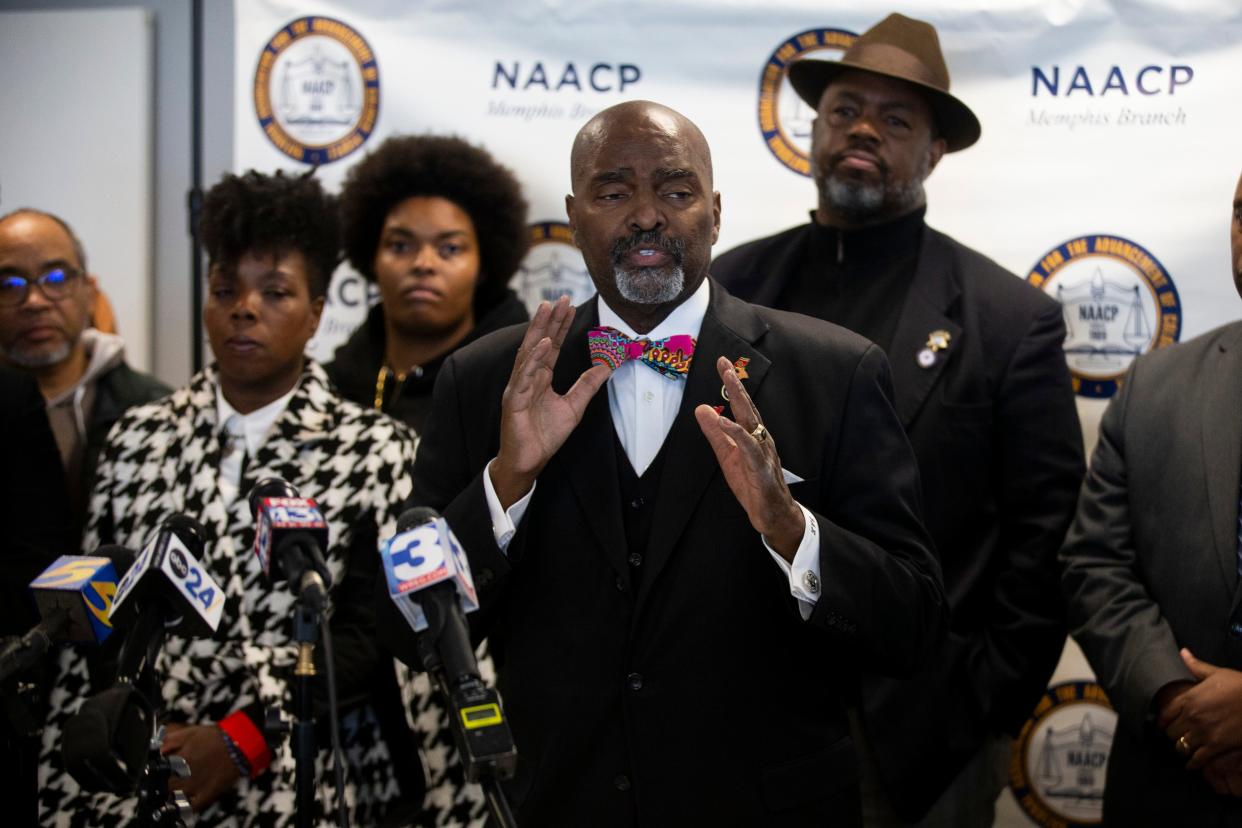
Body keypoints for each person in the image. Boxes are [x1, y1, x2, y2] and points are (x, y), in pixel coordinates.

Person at [401, 99, 946, 825]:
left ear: (715, 214)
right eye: (614, 191)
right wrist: (506, 484)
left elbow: (914, 625)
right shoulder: (485, 381)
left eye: (676, 191)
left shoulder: (834, 374)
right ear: (574, 215)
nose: (647, 215)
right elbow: (405, 631)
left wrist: (791, 530)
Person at [712, 13, 1085, 826]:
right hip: (736, 710)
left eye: (897, 119)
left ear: (935, 152)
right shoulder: (729, 287)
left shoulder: (1006, 319)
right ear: (814, 128)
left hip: (917, 734)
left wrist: (980, 701)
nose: (863, 131)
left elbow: (1044, 535)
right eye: (845, 109)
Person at [37, 170, 420, 826]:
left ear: (316, 314)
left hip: (308, 769)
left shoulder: (380, 448)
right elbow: (98, 613)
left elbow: (371, 636)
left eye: (275, 292)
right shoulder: (133, 438)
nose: (244, 308)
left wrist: (242, 739)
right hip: (144, 763)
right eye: (224, 290)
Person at [1061, 170, 1242, 824]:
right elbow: (1095, 567)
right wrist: (1176, 703)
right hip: (1171, 781)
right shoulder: (1157, 386)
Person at [328, 134, 530, 434]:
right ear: (371, 257)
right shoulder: (329, 392)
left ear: (483, 265)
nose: (423, 263)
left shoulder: (517, 393)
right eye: (400, 246)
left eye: (449, 249)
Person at [0, 209, 168, 543]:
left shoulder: (152, 408)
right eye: (9, 285)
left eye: (56, 279)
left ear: (90, 292)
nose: (34, 302)